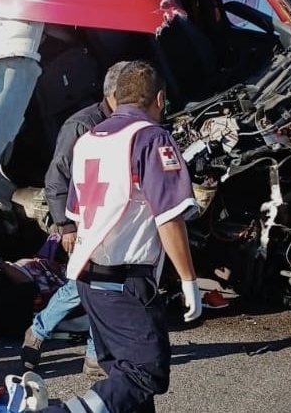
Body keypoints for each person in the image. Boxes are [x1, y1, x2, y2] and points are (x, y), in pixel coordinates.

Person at [37, 60, 202, 413]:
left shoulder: (88, 139)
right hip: (126, 282)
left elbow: (76, 213)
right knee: (145, 373)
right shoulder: (151, 138)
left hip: (90, 280)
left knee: (124, 377)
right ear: (159, 98)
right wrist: (189, 281)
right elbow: (169, 216)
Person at [21, 61, 128, 378]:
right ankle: (48, 336)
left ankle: (79, 349)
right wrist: (65, 226)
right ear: (114, 94)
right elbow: (57, 177)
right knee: (90, 285)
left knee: (101, 285)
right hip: (83, 222)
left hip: (113, 221)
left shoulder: (126, 124)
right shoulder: (81, 125)